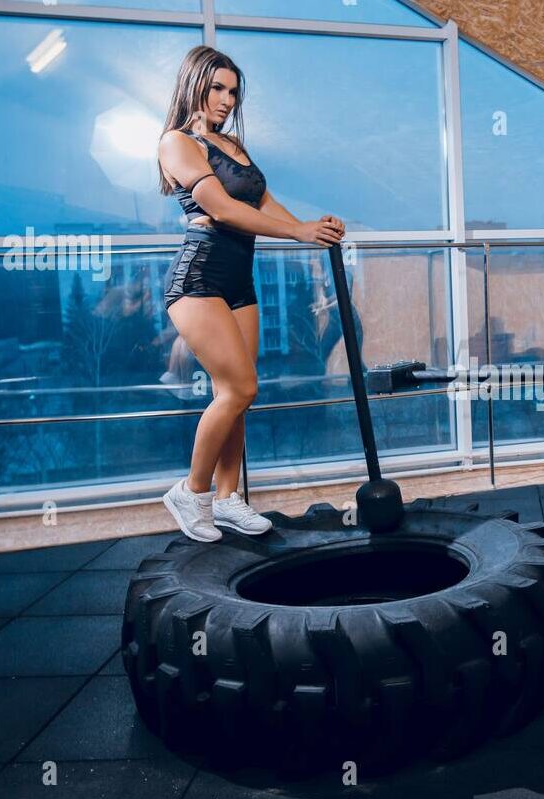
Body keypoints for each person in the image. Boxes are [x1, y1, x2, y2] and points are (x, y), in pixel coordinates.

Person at [156, 45, 345, 542]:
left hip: (239, 281)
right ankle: (191, 492)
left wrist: (310, 225)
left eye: (233, 91)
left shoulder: (234, 144)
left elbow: (264, 201)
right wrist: (298, 235)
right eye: (217, 87)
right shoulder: (176, 143)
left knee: (235, 397)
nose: (226, 99)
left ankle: (226, 499)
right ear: (194, 84)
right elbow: (219, 208)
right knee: (240, 388)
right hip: (197, 281)